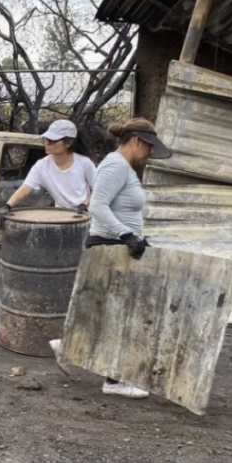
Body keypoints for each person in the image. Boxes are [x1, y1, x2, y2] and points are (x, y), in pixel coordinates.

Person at [82, 116, 173, 399]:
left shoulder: (124, 167)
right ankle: (114, 380)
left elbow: (123, 209)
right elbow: (96, 206)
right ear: (136, 141)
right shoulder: (116, 165)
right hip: (110, 246)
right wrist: (126, 235)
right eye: (148, 148)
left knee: (111, 312)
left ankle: (73, 343)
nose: (149, 154)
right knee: (122, 316)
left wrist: (138, 237)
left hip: (118, 245)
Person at [0, 119, 95, 217]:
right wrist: (7, 206)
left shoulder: (84, 163)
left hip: (84, 215)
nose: (47, 144)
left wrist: (84, 205)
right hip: (61, 215)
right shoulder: (42, 166)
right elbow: (25, 188)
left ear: (68, 143)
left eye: (52, 141)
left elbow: (98, 189)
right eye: (46, 140)